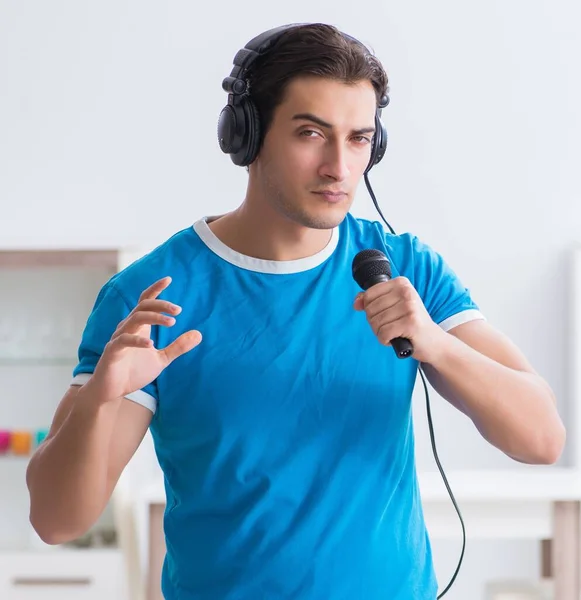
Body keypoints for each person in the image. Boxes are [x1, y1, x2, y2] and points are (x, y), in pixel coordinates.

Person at [26, 22, 565, 600]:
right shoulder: (153, 295)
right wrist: (98, 403)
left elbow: (541, 439)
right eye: (311, 133)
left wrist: (434, 342)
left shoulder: (402, 269)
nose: (338, 166)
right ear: (247, 133)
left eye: (359, 139)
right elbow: (57, 521)